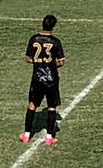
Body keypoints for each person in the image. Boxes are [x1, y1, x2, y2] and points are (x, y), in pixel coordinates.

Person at [20, 15, 66, 146]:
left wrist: (39, 62)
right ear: (53, 26)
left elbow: (28, 58)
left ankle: (26, 135)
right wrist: (50, 64)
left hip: (37, 77)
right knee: (52, 106)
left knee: (32, 105)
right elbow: (61, 62)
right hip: (51, 78)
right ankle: (49, 137)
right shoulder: (55, 41)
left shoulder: (34, 39)